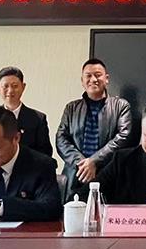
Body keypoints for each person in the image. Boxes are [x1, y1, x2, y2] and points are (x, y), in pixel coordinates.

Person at [56, 58, 132, 200]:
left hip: (107, 175)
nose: (93, 79)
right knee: (72, 211)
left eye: (98, 75)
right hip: (76, 174)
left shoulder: (121, 106)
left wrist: (94, 161)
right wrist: (83, 164)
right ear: (82, 80)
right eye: (88, 76)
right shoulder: (71, 108)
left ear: (106, 79)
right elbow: (61, 139)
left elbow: (123, 137)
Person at [0, 66, 53, 157]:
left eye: (15, 86)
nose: (10, 91)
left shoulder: (38, 119)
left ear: (23, 87)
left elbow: (45, 153)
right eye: (5, 86)